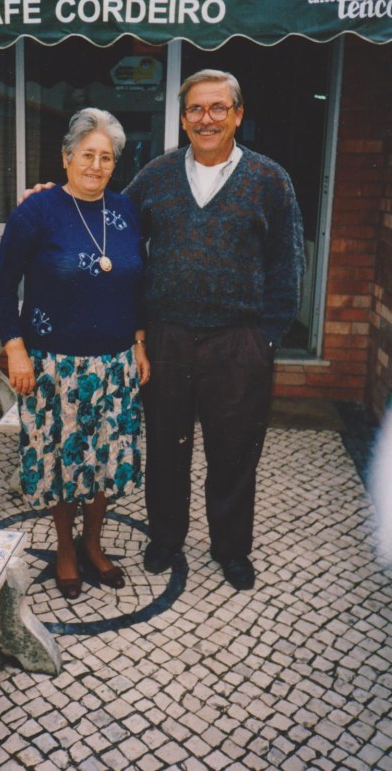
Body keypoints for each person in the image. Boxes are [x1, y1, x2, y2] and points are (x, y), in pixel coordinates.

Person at [124, 69, 305, 589]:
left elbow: (288, 262)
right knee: (166, 448)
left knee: (234, 452)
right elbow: (114, 228)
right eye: (196, 109)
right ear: (183, 119)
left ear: (238, 115)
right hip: (168, 337)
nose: (207, 118)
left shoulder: (269, 179)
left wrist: (266, 337)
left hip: (238, 341)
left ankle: (231, 549)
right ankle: (165, 537)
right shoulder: (156, 176)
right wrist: (57, 197)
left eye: (218, 108)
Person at [0, 107, 150, 600]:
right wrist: (15, 348)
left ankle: (93, 545)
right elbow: (2, 287)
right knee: (61, 463)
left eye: (106, 157)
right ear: (66, 158)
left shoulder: (126, 211)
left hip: (115, 364)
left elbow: (137, 287)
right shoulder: (35, 212)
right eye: (87, 155)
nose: (96, 166)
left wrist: (139, 344)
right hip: (54, 366)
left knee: (104, 461)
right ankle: (64, 548)